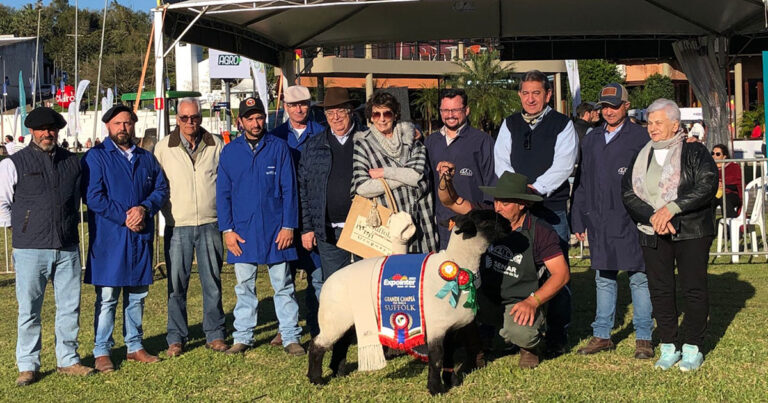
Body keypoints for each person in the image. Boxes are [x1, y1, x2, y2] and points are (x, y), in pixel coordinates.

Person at [0, 107, 95, 386]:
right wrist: (21, 227)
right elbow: (2, 203)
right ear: (32, 131)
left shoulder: (73, 162)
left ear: (58, 131)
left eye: (51, 129)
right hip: (30, 248)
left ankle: (68, 359)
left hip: (66, 246)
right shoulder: (13, 163)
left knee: (69, 306)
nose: (47, 133)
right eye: (41, 129)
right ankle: (28, 364)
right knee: (29, 308)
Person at [622, 98, 718, 371]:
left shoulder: (695, 152)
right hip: (652, 230)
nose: (652, 128)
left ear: (675, 125)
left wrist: (672, 209)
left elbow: (707, 184)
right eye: (650, 122)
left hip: (691, 231)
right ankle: (668, 344)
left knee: (693, 288)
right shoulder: (641, 155)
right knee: (660, 289)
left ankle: (693, 346)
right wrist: (655, 216)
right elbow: (628, 192)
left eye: (659, 122)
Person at [440, 171, 569, 369]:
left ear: (522, 204)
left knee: (521, 333)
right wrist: (445, 181)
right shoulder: (486, 216)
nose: (498, 208)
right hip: (485, 294)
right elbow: (451, 201)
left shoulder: (541, 231)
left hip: (520, 299)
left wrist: (533, 302)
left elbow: (561, 274)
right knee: (456, 304)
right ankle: (478, 348)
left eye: (505, 203)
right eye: (496, 201)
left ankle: (529, 347)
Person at [493, 69, 578, 354]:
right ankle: (519, 329)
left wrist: (533, 191)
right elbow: (502, 162)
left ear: (548, 94)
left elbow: (564, 165)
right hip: (516, 210)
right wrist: (515, 193)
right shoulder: (509, 124)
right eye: (526, 93)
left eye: (537, 93)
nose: (531, 98)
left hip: (550, 209)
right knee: (516, 270)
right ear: (520, 95)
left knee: (557, 274)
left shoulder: (562, 124)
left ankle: (557, 334)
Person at [81, 104, 170, 373]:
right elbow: (94, 197)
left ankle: (134, 345)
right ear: (108, 126)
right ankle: (102, 349)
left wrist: (144, 208)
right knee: (107, 297)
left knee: (137, 295)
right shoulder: (96, 157)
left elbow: (161, 187)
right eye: (118, 123)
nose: (124, 128)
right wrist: (125, 216)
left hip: (139, 237)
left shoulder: (145, 157)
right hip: (110, 238)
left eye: (128, 123)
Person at [570, 83, 654, 359]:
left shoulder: (641, 138)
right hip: (599, 219)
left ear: (626, 106)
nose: (608, 111)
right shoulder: (591, 139)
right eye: (604, 106)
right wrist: (579, 218)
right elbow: (581, 181)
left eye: (614, 106)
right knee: (603, 277)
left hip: (632, 219)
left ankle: (644, 336)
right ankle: (602, 334)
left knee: (639, 278)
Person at [217, 96, 305, 356]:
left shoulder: (278, 147)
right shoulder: (230, 152)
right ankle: (243, 336)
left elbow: (289, 189)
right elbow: (223, 193)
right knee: (244, 286)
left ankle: (290, 335)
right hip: (242, 232)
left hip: (276, 229)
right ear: (240, 121)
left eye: (259, 118)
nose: (256, 123)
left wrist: (289, 225)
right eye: (250, 118)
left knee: (283, 285)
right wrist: (227, 230)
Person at [154, 98, 228, 357]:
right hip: (178, 225)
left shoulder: (215, 144)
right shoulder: (163, 148)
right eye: (184, 118)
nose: (190, 122)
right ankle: (176, 337)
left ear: (201, 117)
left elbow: (225, 181)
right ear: (177, 119)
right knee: (176, 285)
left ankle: (215, 333)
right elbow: (157, 185)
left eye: (194, 117)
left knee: (212, 282)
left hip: (210, 222)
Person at [297, 87, 364, 324]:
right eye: (330, 113)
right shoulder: (314, 145)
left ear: (351, 112)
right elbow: (304, 189)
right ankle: (340, 334)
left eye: (340, 112)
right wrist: (307, 227)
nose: (335, 118)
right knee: (335, 285)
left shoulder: (367, 139)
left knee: (365, 282)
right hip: (328, 229)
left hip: (364, 227)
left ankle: (368, 331)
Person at [270, 85, 326, 340]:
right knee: (285, 275)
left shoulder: (323, 133)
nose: (299, 109)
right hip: (285, 216)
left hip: (315, 212)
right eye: (293, 105)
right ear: (285, 108)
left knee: (318, 275)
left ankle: (319, 325)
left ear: (310, 105)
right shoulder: (276, 137)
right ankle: (287, 327)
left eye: (303, 104)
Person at [352, 90, 438, 253]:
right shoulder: (363, 144)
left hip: (420, 222)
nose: (382, 119)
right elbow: (362, 187)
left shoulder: (412, 139)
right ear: (370, 117)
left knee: (422, 273)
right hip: (386, 227)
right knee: (393, 275)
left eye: (387, 113)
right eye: (376, 114)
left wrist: (385, 172)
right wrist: (404, 176)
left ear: (395, 115)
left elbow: (417, 176)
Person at [424, 88, 496, 249]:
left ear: (467, 110)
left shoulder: (482, 141)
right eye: (445, 110)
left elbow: (491, 182)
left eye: (455, 110)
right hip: (442, 223)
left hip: (473, 222)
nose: (450, 115)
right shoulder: (431, 142)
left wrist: (486, 218)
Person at [710, 144, 742, 218]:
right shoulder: (709, 167)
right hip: (714, 193)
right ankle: (709, 227)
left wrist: (724, 185)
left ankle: (731, 224)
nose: (714, 156)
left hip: (731, 193)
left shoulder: (733, 167)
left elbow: (738, 183)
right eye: (712, 153)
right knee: (707, 202)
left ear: (724, 156)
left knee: (725, 200)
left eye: (717, 154)